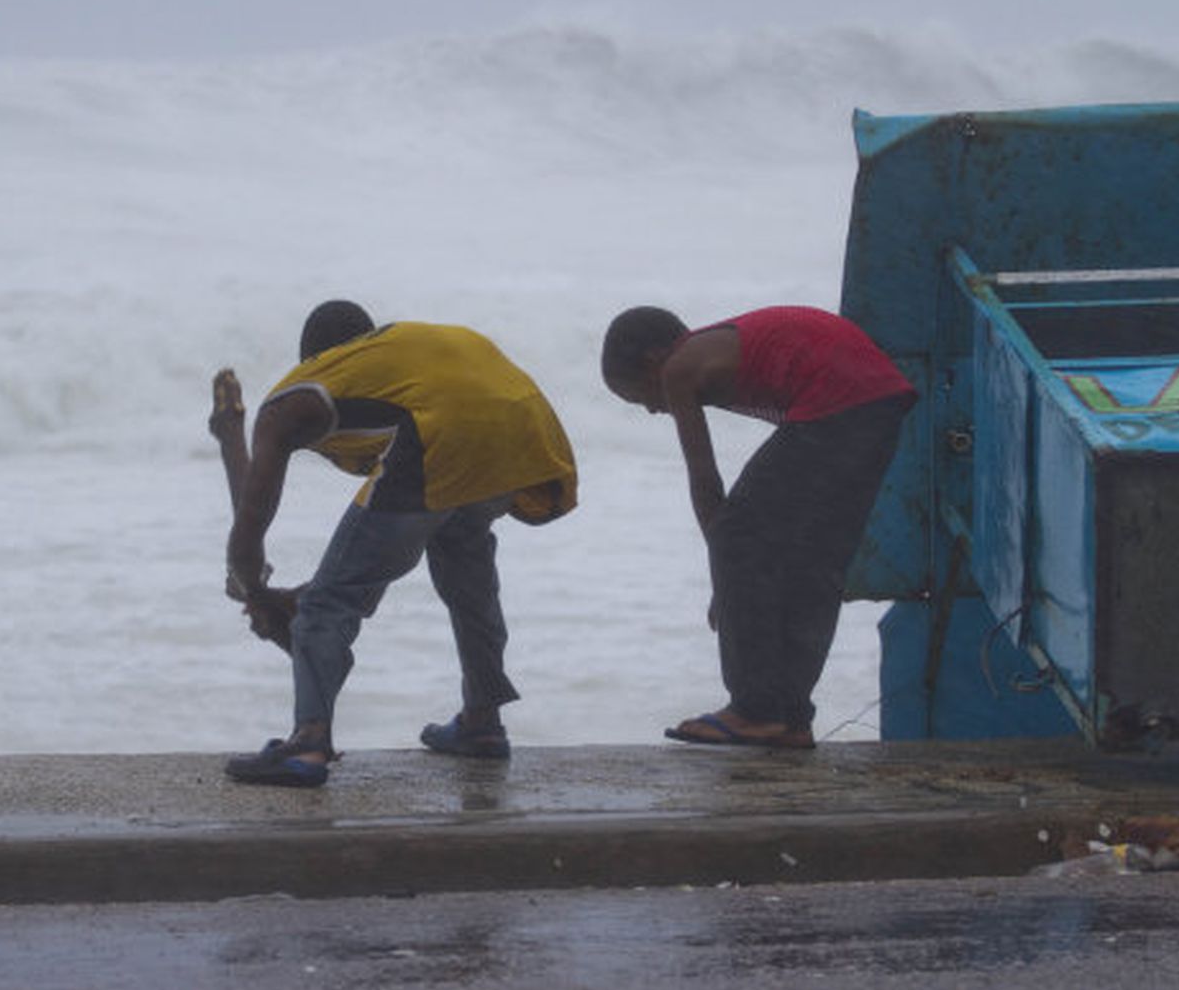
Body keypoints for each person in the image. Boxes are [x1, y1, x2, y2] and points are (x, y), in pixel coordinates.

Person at [222, 300, 577, 786]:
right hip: (520, 428)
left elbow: (249, 528)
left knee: (331, 601)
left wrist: (259, 594)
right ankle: (483, 722)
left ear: (316, 360)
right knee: (465, 570)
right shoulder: (401, 366)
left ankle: (308, 743)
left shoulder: (294, 398)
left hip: (447, 436)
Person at [601, 304, 915, 749]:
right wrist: (730, 584)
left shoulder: (680, 368)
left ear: (654, 362)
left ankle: (754, 710)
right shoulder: (709, 349)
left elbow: (705, 480)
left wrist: (725, 577)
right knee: (811, 564)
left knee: (737, 532)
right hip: (879, 400)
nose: (653, 410)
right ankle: (790, 717)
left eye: (640, 397)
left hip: (839, 401)